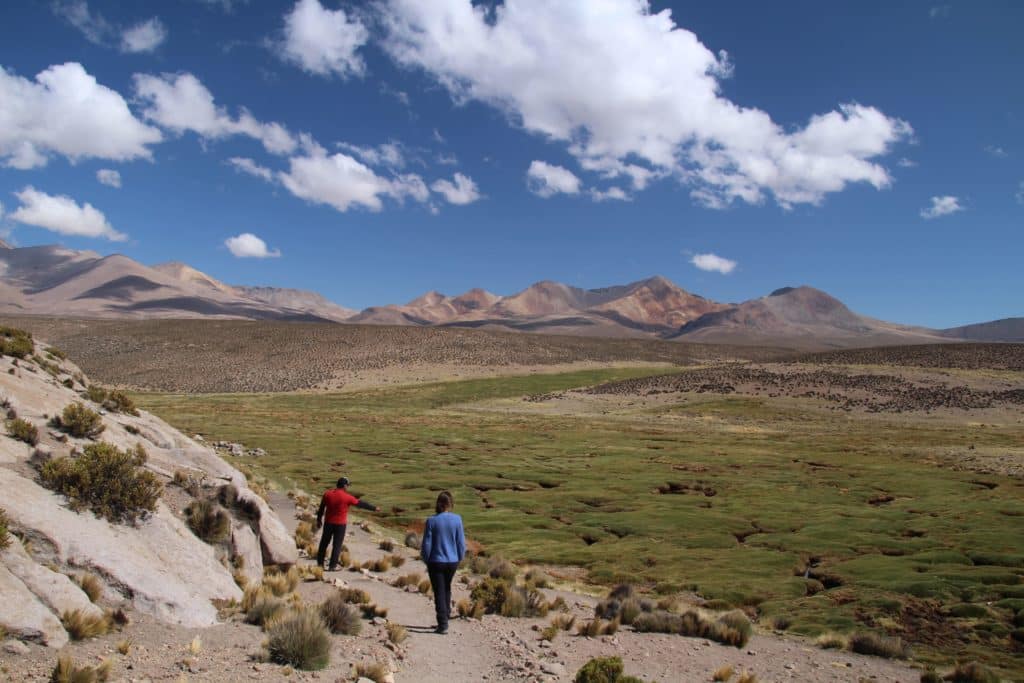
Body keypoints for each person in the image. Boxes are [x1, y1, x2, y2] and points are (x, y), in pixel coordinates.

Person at [421, 491, 466, 635]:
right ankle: (445, 615)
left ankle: (443, 624)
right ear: (450, 504)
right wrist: (460, 557)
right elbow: (461, 542)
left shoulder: (431, 521)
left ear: (438, 504)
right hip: (452, 561)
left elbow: (427, 544)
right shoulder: (457, 519)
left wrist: (426, 558)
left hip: (436, 561)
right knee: (446, 588)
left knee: (439, 591)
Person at [315, 476, 379, 571]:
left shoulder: (327, 494)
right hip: (340, 525)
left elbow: (321, 508)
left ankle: (320, 565)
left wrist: (319, 519)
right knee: (337, 545)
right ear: (344, 486)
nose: (347, 487)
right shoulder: (347, 497)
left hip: (328, 523)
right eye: (347, 485)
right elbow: (360, 504)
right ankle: (332, 566)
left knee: (324, 543)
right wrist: (374, 508)